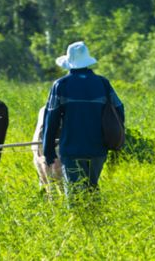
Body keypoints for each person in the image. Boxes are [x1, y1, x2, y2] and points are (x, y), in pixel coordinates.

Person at [43, 41, 124, 199]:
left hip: (71, 150)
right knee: (92, 188)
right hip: (98, 149)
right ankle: (95, 220)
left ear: (69, 63)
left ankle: (78, 222)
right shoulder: (103, 83)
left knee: (73, 194)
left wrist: (48, 150)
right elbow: (119, 110)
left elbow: (51, 118)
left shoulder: (61, 85)